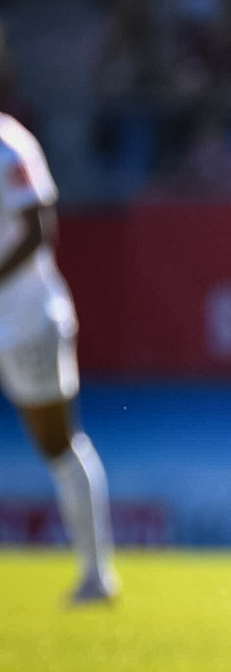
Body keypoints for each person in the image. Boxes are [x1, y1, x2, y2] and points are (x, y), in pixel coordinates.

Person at [0, 113, 117, 604]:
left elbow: (37, 227)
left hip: (25, 319)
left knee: (57, 445)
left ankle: (97, 575)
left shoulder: (7, 144)